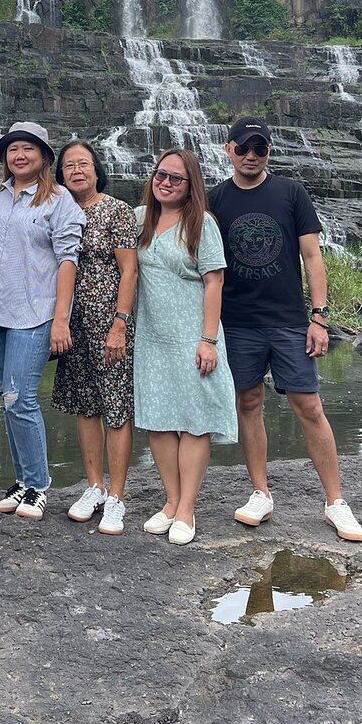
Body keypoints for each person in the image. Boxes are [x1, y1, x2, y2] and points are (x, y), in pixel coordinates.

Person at [208, 116, 362, 543]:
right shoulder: (215, 199)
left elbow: (312, 257)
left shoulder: (291, 193)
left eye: (259, 148)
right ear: (229, 149)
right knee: (248, 402)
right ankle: (260, 492)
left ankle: (335, 501)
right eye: (243, 147)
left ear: (269, 152)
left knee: (309, 405)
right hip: (237, 323)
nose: (251, 155)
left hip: (289, 321)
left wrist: (320, 317)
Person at [0, 121, 85, 521]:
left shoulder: (59, 201)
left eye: (27, 148)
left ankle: (39, 486)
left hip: (35, 313)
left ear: (44, 156)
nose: (19, 155)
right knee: (8, 400)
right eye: (12, 149)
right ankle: (22, 481)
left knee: (20, 397)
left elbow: (67, 261)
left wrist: (62, 320)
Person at [134, 147, 237, 544]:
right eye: (161, 174)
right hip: (152, 336)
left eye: (176, 178)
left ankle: (188, 511)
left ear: (191, 184)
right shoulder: (140, 219)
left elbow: (215, 282)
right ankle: (172, 502)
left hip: (193, 335)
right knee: (159, 420)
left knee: (195, 421)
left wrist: (208, 340)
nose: (166, 182)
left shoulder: (202, 223)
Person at [52, 140, 138, 536]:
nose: (75, 171)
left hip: (109, 323)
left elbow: (129, 270)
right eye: (68, 165)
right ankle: (94, 488)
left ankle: (117, 497)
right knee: (86, 405)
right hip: (73, 323)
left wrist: (120, 323)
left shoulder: (116, 210)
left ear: (96, 169)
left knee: (116, 405)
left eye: (82, 163)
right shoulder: (58, 210)